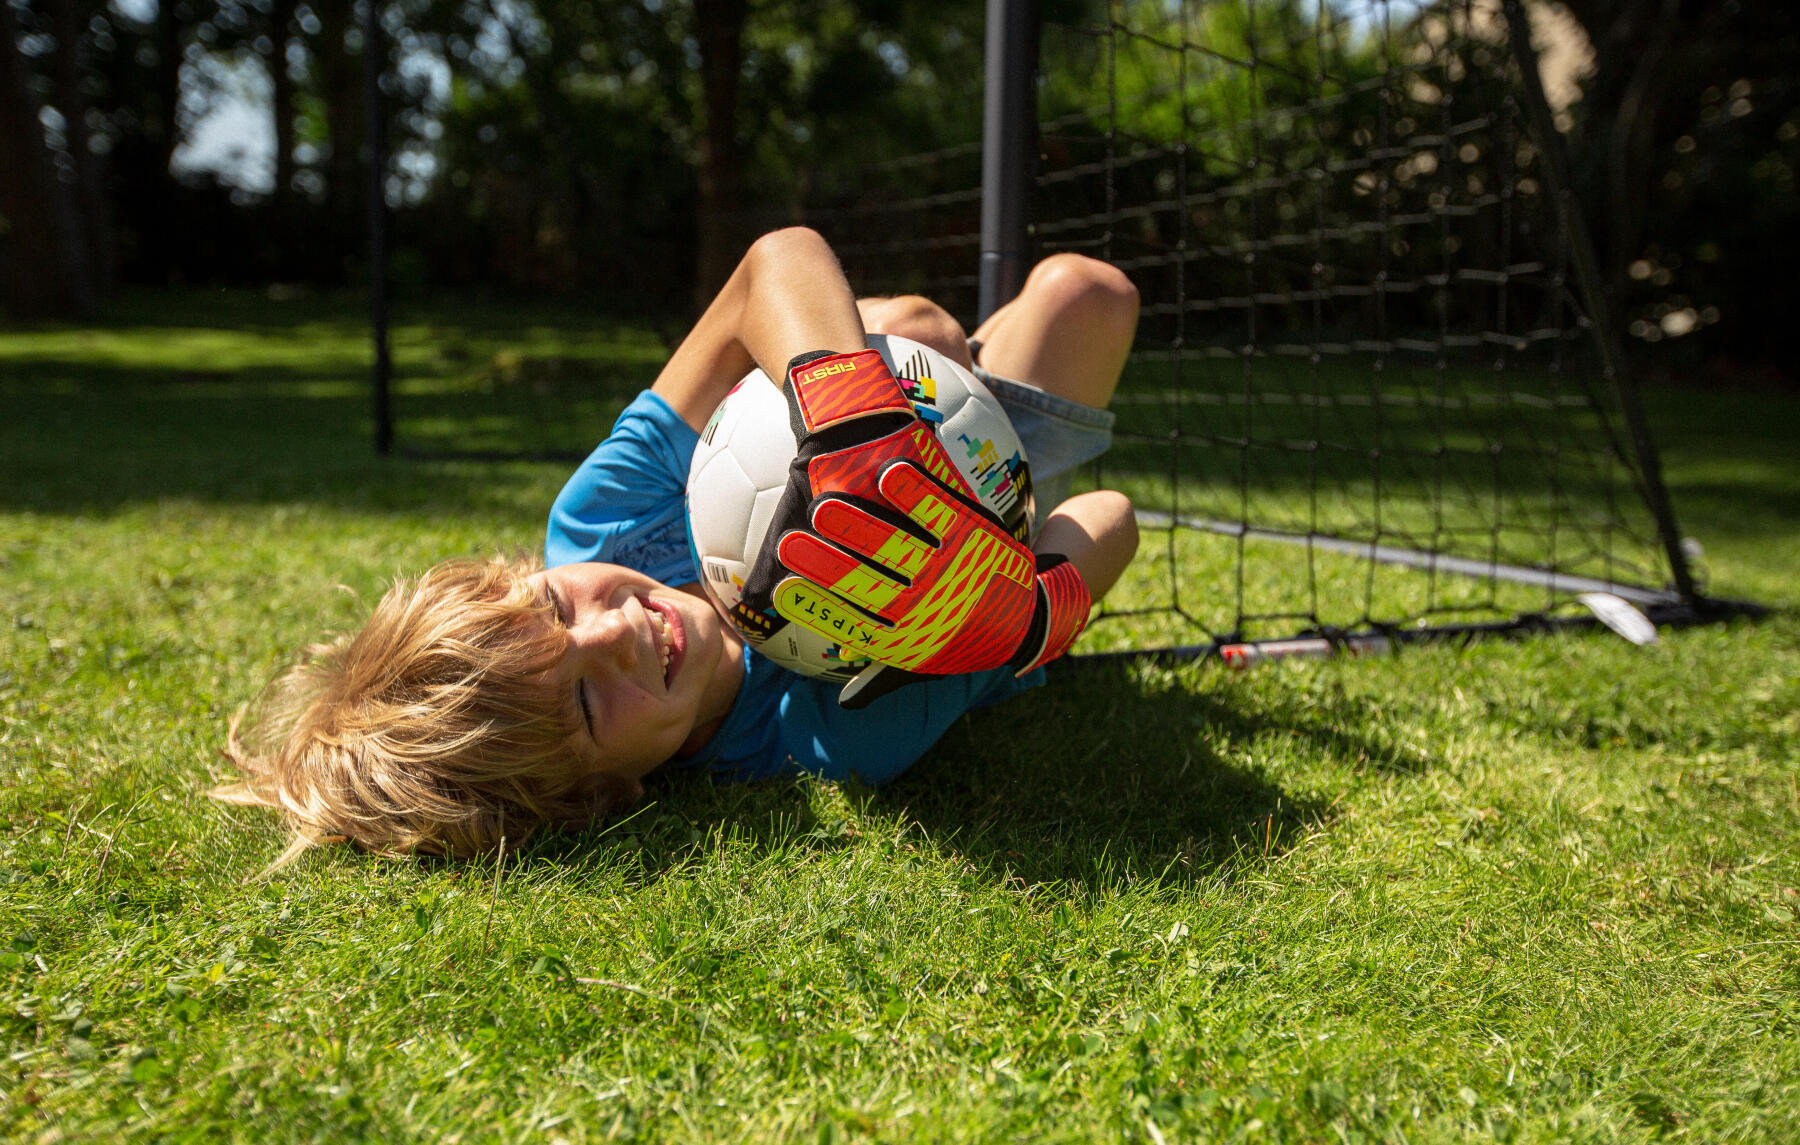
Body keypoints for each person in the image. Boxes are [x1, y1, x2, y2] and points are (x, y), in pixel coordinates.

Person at [217, 228, 1140, 868]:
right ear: (603, 796)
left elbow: (773, 266)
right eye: (583, 700)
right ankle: (955, 371)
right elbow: (1110, 517)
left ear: (526, 572)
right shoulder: (833, 733)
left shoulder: (602, 524)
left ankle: (936, 367)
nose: (615, 632)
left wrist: (856, 420)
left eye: (552, 606)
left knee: (920, 332)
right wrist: (1019, 620)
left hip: (886, 409)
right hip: (995, 509)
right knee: (1090, 294)